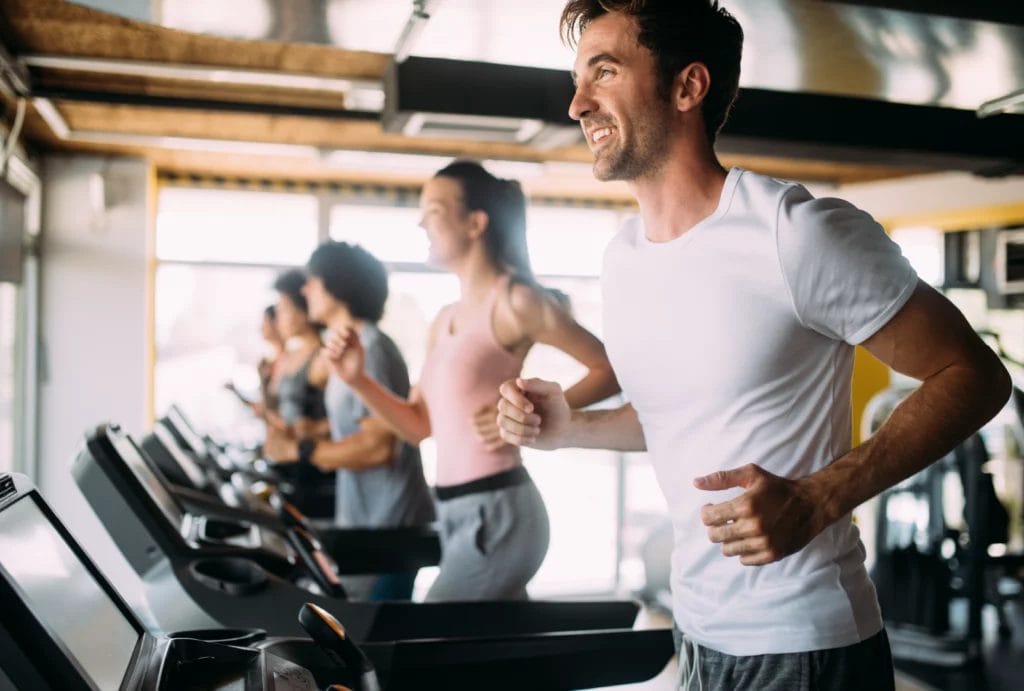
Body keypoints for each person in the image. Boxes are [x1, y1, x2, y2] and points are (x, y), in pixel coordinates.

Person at [494, 2, 1011, 689]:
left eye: (605, 72)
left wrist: (821, 496)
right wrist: (570, 426)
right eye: (579, 77)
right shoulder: (623, 260)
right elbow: (678, 423)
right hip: (698, 631)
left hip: (805, 644)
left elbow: (974, 375)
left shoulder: (794, 232)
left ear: (688, 87)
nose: (577, 102)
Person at [324, 160, 620, 601]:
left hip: (499, 511)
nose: (420, 221)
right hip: (455, 512)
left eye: (435, 211)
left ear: (475, 223)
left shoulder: (515, 302)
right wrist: (359, 380)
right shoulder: (443, 321)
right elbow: (418, 426)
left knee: (434, 632)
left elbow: (609, 368)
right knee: (490, 652)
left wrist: (537, 414)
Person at [264, 241, 435, 601]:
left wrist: (301, 449)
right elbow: (365, 420)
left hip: (389, 525)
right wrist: (315, 429)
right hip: (367, 516)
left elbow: (378, 448)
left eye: (313, 280)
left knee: (381, 637)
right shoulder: (346, 346)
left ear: (337, 287)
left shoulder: (370, 349)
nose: (306, 289)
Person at [263, 268, 333, 517]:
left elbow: (346, 419)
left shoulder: (322, 358)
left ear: (302, 312)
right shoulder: (292, 356)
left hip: (315, 469)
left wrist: (315, 428)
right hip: (291, 464)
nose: (279, 316)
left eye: (284, 308)